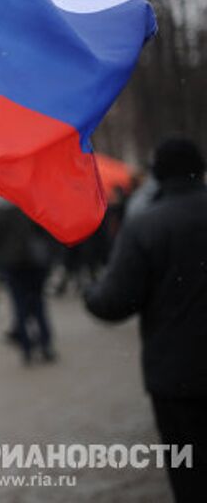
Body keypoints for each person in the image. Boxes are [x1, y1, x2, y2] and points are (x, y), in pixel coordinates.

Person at [84, 137, 207, 502]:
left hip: (178, 375)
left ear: (157, 174)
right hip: (178, 372)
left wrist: (91, 293)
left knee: (190, 473)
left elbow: (114, 302)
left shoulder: (146, 225)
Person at [0, 201, 57, 365]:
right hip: (33, 263)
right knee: (38, 304)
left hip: (13, 265)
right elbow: (46, 234)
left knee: (20, 305)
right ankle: (45, 344)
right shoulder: (32, 208)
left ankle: (27, 348)